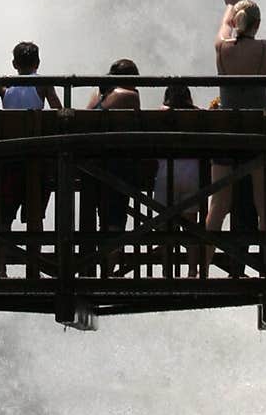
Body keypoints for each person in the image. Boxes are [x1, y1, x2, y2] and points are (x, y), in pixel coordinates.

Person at [204, 0, 266, 272]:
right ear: (257, 24)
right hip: (255, 131)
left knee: (217, 208)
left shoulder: (222, 48)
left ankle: (200, 271)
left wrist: (230, 5)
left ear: (236, 22)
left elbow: (224, 28)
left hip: (227, 131)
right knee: (263, 206)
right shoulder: (264, 48)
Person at [0, 41, 62, 264]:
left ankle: (1, 267)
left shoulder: (4, 85)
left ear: (14, 63)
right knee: (35, 215)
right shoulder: (43, 84)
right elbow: (58, 111)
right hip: (35, 159)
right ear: (38, 63)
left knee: (4, 218)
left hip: (8, 159)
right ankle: (36, 265)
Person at [85, 59, 142, 272]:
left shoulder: (96, 95)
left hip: (92, 165)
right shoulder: (129, 95)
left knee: (103, 219)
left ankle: (97, 268)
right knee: (116, 221)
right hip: (118, 165)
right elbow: (138, 127)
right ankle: (109, 271)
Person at [154, 83, 203, 277]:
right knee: (190, 226)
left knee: (165, 228)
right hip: (192, 173)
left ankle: (167, 272)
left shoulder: (160, 114)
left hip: (166, 173)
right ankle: (192, 270)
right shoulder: (197, 115)